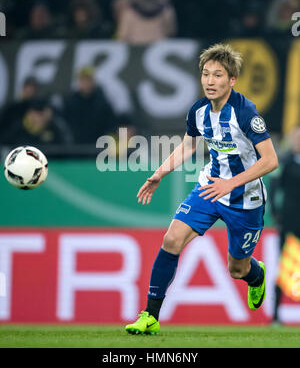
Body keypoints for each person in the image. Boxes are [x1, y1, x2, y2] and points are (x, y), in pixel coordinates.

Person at [125, 43, 278, 335]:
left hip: (245, 199)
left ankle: (255, 276)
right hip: (209, 187)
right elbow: (188, 146)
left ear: (232, 80)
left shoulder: (246, 113)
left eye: (218, 75)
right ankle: (150, 316)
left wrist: (231, 183)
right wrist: (159, 174)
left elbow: (270, 160)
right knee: (171, 240)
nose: (210, 81)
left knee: (237, 269)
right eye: (206, 74)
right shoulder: (198, 111)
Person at [269, 126, 300, 324]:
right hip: (289, 222)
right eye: (297, 138)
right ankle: (276, 316)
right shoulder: (286, 162)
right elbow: (273, 188)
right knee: (283, 268)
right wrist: (275, 213)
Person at [63, 66, 120, 144]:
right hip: (76, 148)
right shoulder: (70, 102)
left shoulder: (102, 102)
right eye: (83, 80)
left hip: (97, 147)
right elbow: (65, 125)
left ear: (93, 81)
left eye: (88, 80)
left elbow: (111, 125)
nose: (85, 83)